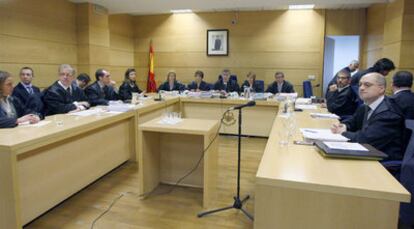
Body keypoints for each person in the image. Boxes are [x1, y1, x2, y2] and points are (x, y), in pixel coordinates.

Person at [331, 73, 404, 161]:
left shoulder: (389, 114)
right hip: (367, 154)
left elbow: (366, 140)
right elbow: (353, 121)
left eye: (367, 85)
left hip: (383, 162)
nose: (361, 88)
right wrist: (344, 126)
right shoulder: (365, 106)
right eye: (360, 85)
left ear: (381, 89)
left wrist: (342, 132)